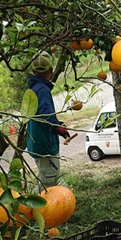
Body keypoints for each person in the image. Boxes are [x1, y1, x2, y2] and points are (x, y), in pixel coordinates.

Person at [27, 52, 70, 188]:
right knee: (48, 181)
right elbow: (46, 117)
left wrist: (57, 124)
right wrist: (58, 128)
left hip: (37, 142)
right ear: (51, 71)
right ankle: (33, 208)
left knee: (47, 177)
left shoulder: (33, 88)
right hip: (44, 145)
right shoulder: (42, 90)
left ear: (34, 71)